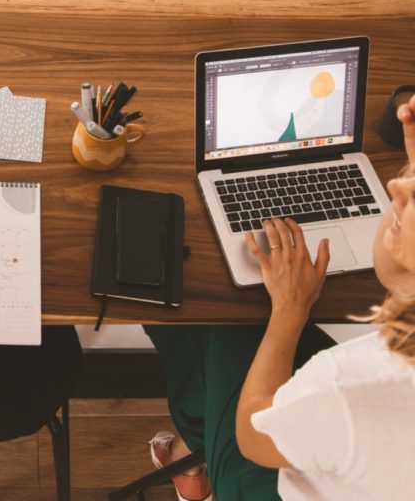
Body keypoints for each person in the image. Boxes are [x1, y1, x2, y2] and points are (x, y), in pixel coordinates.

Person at [145, 97, 415, 501]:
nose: (396, 184)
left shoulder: (354, 384)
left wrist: (291, 309)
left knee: (217, 304)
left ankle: (199, 458)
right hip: (348, 458)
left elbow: (255, 434)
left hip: (263, 473)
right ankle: (192, 451)